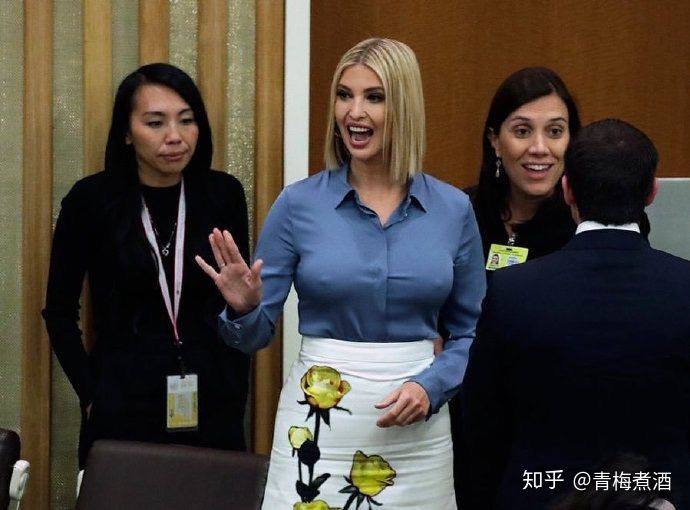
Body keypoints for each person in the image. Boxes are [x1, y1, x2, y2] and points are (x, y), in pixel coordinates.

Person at [195, 38, 485, 509]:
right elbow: (252, 337)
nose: (355, 112)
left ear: (405, 106)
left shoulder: (453, 209)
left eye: (374, 97)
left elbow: (474, 332)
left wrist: (432, 387)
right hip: (318, 427)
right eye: (344, 95)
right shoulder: (297, 204)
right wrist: (244, 308)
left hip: (418, 431)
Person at [457, 119, 690, 509]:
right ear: (652, 192)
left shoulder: (513, 291)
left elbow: (481, 428)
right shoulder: (684, 288)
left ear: (566, 190)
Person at [42, 63, 250, 467]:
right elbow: (59, 312)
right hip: (121, 407)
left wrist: (234, 379)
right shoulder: (91, 200)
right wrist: (91, 394)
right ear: (126, 132)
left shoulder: (222, 195)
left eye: (186, 120)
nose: (174, 136)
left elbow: (235, 303)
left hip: (211, 407)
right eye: (155, 123)